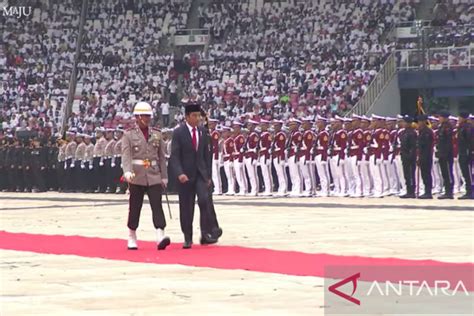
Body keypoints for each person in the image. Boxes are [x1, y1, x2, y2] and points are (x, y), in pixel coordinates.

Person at [121, 102, 170, 251]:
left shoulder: (156, 133)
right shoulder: (128, 135)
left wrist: (164, 176)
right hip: (137, 175)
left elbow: (161, 156)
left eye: (149, 116)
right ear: (137, 117)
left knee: (157, 204)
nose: (147, 119)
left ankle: (160, 234)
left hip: (154, 174)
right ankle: (132, 235)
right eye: (144, 116)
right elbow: (126, 155)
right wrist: (127, 171)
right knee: (135, 206)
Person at [170, 102, 218, 249]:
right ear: (187, 117)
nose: (197, 118)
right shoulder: (179, 133)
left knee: (204, 201)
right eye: (194, 116)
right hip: (185, 175)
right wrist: (179, 173)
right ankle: (187, 237)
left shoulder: (203, 132)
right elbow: (175, 156)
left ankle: (205, 234)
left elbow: (207, 155)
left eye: (198, 115)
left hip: (201, 175)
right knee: (186, 207)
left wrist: (208, 176)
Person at [437, 112, 454, 199]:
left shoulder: (448, 127)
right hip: (441, 153)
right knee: (444, 173)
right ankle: (447, 190)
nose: (439, 118)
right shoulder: (441, 127)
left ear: (445, 117)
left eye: (440, 117)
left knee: (448, 172)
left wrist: (445, 153)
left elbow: (448, 142)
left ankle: (449, 191)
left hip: (447, 154)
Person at [399, 116, 417, 198]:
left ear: (409, 123)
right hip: (404, 156)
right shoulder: (404, 132)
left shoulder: (412, 133)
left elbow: (413, 146)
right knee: (406, 175)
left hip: (410, 157)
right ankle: (408, 190)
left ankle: (412, 191)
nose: (403, 123)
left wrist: (410, 155)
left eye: (404, 122)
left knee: (410, 174)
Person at [417, 114, 434, 199]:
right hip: (422, 155)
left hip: (426, 156)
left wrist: (423, 157)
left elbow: (426, 146)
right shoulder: (421, 131)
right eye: (418, 121)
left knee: (427, 174)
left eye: (420, 121)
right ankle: (426, 191)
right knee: (424, 174)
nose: (419, 123)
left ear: (424, 121)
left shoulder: (427, 131)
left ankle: (428, 192)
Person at [457, 112, 472, 199]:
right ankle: (468, 191)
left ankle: (470, 192)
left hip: (466, 153)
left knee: (468, 173)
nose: (458, 119)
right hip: (462, 152)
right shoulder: (461, 127)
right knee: (465, 173)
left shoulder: (468, 127)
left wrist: (468, 152)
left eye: (460, 117)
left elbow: (469, 141)